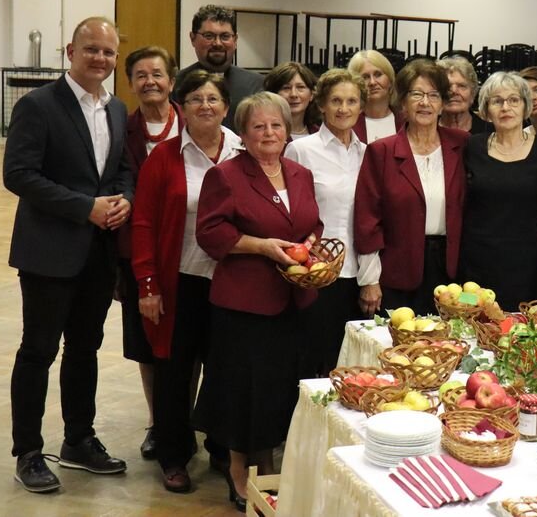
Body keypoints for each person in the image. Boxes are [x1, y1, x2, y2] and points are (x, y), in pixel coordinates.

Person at [5, 16, 132, 492]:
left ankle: (79, 439)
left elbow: (120, 170)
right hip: (49, 252)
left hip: (99, 253)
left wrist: (124, 199)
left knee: (86, 348)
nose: (100, 58)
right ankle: (29, 452)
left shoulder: (117, 108)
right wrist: (85, 208)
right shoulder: (39, 105)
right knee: (38, 351)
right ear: (70, 51)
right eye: (91, 49)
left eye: (108, 52)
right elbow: (18, 174)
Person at [194, 92, 322, 510]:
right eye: (258, 127)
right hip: (244, 305)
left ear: (288, 130)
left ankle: (266, 465)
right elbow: (211, 234)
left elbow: (312, 223)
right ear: (243, 135)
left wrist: (311, 244)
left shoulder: (300, 173)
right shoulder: (226, 175)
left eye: (276, 125)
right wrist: (262, 247)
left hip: (293, 301)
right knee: (240, 391)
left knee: (276, 389)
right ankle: (236, 470)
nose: (269, 133)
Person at [131, 71, 242, 493]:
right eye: (195, 99)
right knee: (175, 372)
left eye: (213, 98)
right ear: (182, 106)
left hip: (232, 282)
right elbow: (143, 223)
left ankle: (219, 447)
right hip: (180, 280)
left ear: (226, 106)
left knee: (225, 368)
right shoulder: (164, 156)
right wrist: (147, 285)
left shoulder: (242, 149)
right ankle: (173, 454)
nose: (205, 106)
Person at [354, 60, 468, 317]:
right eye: (416, 94)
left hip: (452, 274)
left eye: (433, 95)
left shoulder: (462, 145)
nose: (425, 103)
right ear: (403, 103)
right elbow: (367, 219)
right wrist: (370, 280)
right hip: (398, 272)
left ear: (442, 104)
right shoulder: (381, 151)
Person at [119, 45, 185, 462]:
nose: (150, 82)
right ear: (130, 84)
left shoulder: (196, 119)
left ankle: (186, 418)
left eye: (157, 74)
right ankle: (157, 422)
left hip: (192, 250)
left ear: (172, 80)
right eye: (140, 75)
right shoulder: (122, 130)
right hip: (140, 251)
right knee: (148, 342)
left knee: (191, 342)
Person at [285, 69, 369, 376]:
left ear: (361, 107)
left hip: (359, 272)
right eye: (335, 100)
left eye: (351, 101)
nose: (343, 109)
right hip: (317, 272)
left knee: (350, 363)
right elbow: (291, 214)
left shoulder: (369, 153)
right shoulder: (301, 150)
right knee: (315, 360)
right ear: (321, 104)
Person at [462, 72, 537, 311]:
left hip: (527, 265)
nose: (505, 107)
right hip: (474, 263)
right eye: (497, 101)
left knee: (519, 333)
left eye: (513, 100)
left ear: (526, 106)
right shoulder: (472, 146)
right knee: (471, 323)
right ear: (486, 109)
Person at [174, 5, 263, 131]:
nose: (217, 43)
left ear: (235, 40)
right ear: (192, 38)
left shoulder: (256, 85)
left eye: (225, 36)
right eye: (209, 36)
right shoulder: (175, 85)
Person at [348, 50, 403, 143]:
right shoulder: (348, 123)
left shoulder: (406, 121)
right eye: (365, 77)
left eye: (378, 74)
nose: (372, 82)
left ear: (390, 79)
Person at [264, 62, 320, 141]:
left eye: (300, 87)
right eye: (286, 88)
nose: (293, 94)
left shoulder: (320, 134)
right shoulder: (265, 134)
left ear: (312, 94)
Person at [438, 56, 490, 134]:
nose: (454, 91)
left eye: (461, 86)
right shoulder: (424, 129)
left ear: (473, 93)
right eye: (447, 86)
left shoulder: (490, 132)